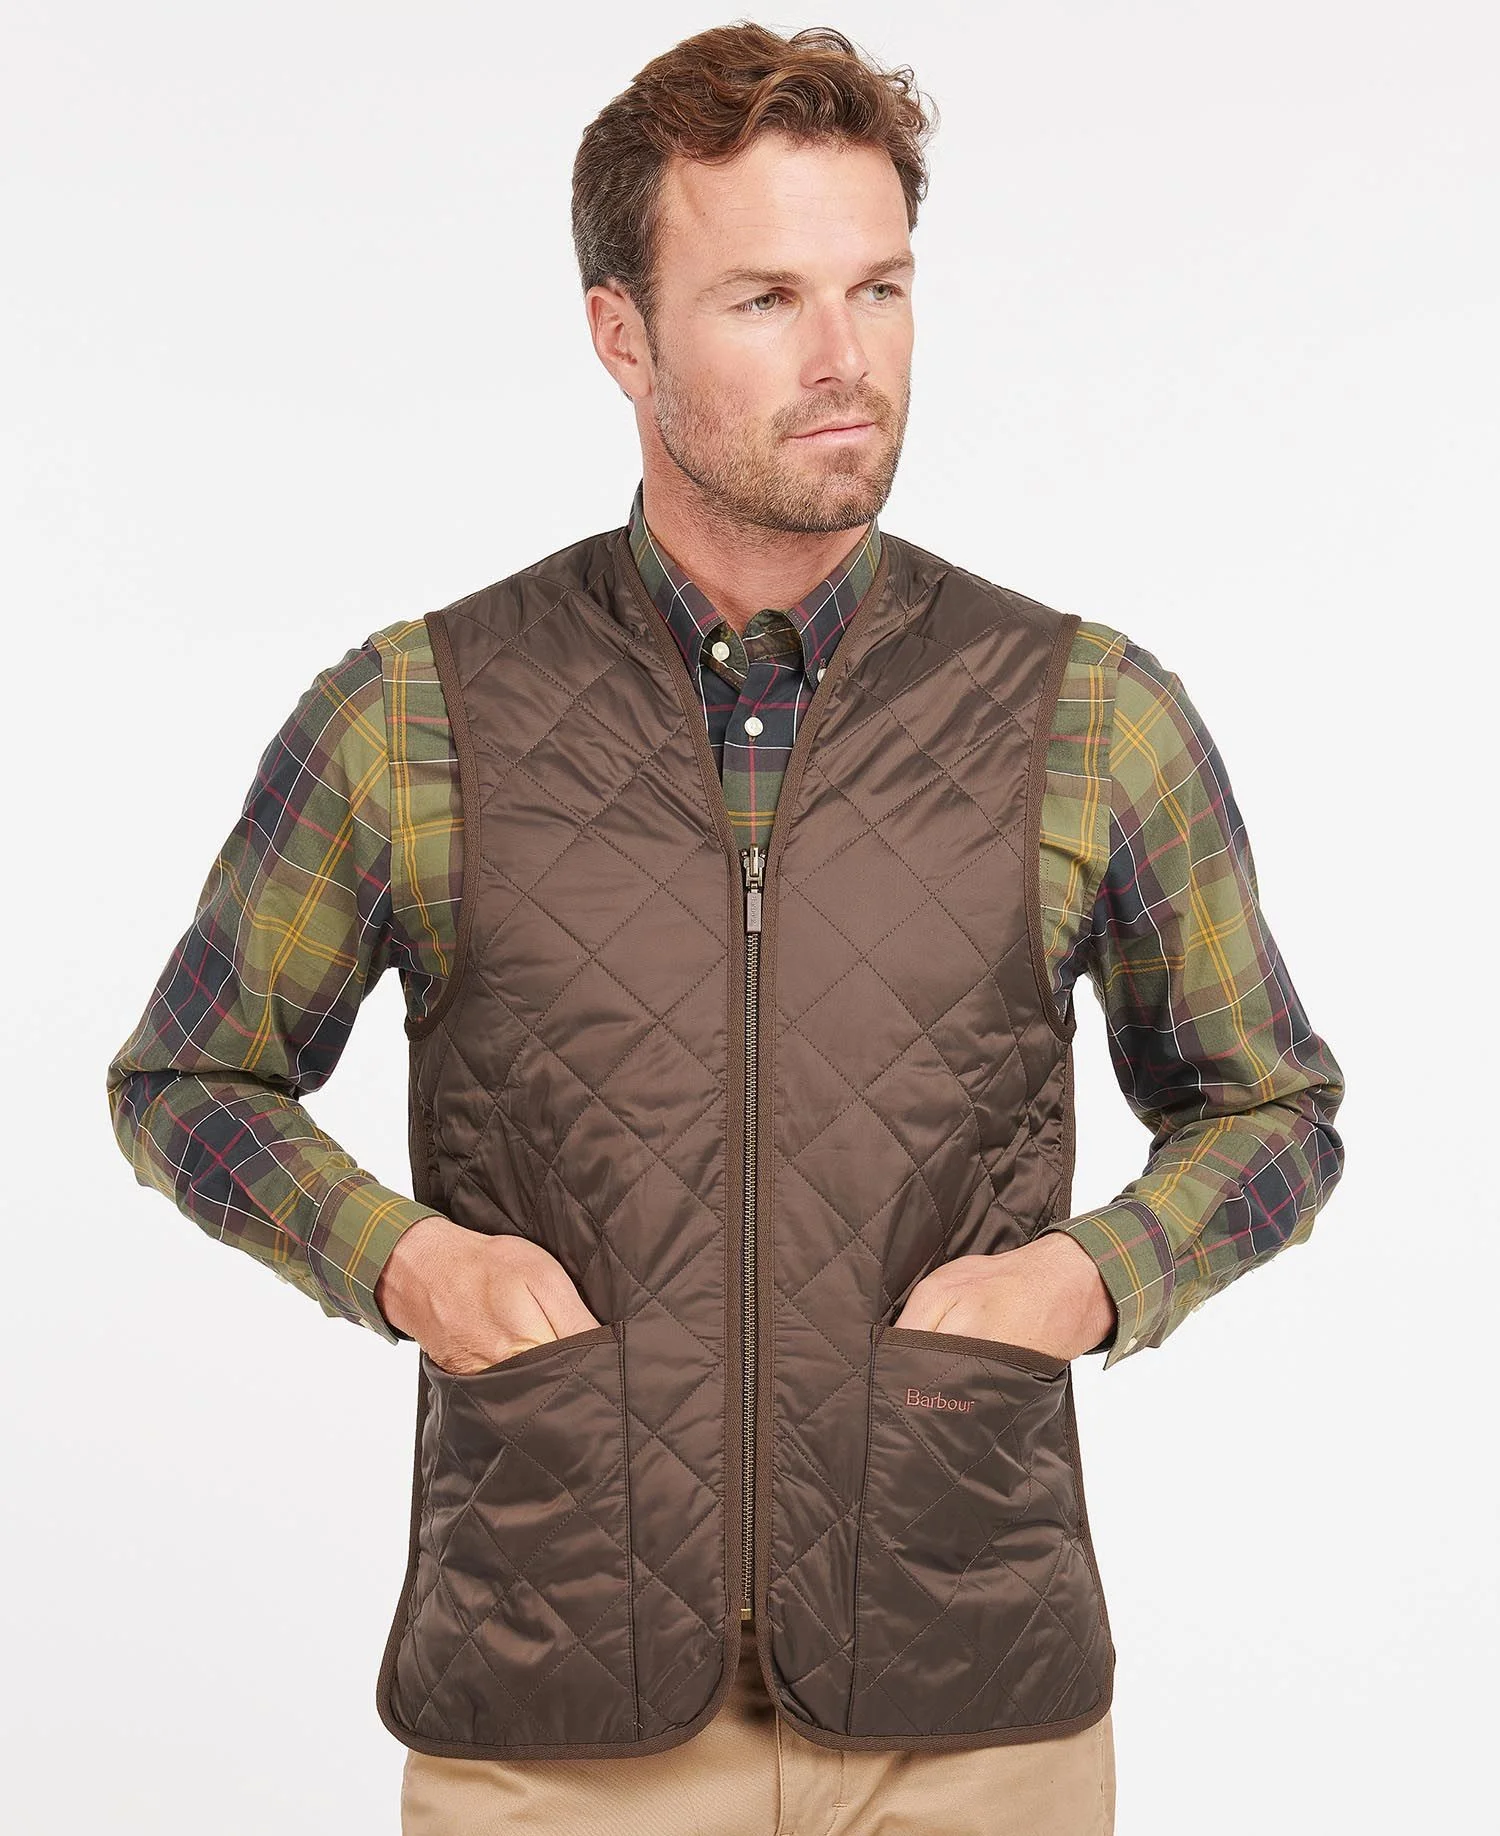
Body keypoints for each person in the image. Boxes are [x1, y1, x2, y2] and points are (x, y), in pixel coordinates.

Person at [105, 21, 1346, 1836]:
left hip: (971, 1709)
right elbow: (190, 1080)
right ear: (621, 334)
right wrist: (404, 1261)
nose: (848, 359)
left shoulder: (1090, 715)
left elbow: (1273, 1110)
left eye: (880, 288)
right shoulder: (413, 716)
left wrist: (1082, 1281)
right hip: (553, 1707)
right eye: (767, 298)